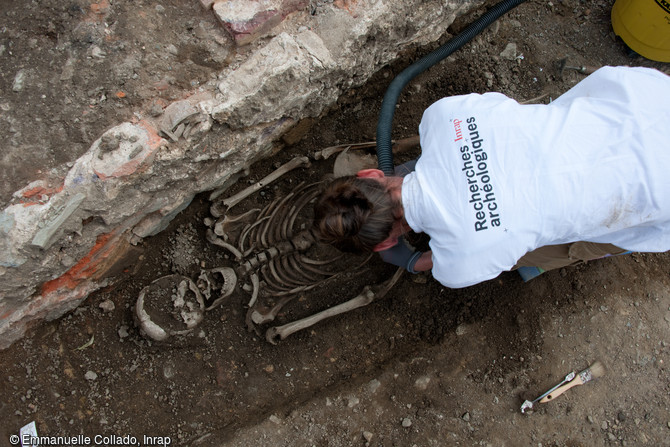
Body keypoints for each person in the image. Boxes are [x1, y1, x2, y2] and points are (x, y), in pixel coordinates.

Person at [313, 66, 670, 288]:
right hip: (643, 98)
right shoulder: (443, 116)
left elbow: (429, 264)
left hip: (659, 197)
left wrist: (409, 260)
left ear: (383, 243)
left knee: (518, 253)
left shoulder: (461, 263)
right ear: (372, 173)